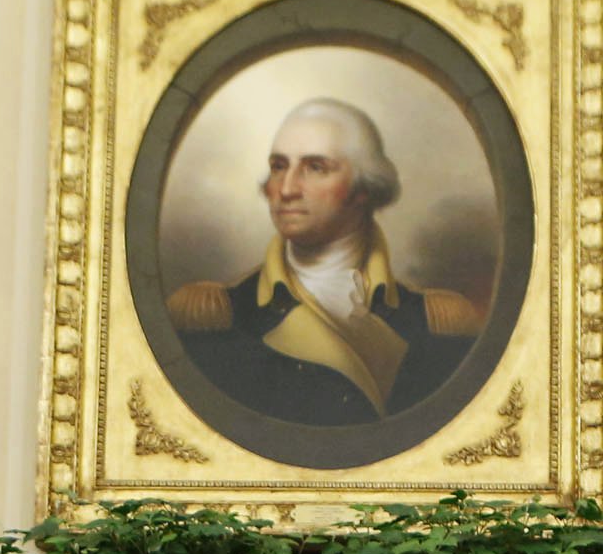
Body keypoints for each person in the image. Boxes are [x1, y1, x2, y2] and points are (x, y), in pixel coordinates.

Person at [165, 98, 485, 428]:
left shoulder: (437, 323)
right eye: (278, 166)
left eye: (315, 167)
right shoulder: (218, 319)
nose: (285, 189)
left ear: (363, 188)